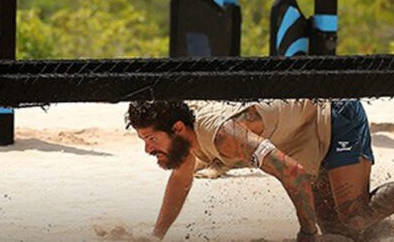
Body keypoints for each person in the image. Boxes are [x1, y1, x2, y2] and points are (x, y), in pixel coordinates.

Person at [125, 100, 394, 241]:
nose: (148, 149)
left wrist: (307, 231)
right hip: (309, 138)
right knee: (344, 232)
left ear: (178, 129)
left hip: (334, 116)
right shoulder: (185, 132)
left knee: (354, 215)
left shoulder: (223, 134)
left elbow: (292, 172)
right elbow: (180, 179)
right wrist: (156, 236)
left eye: (151, 139)